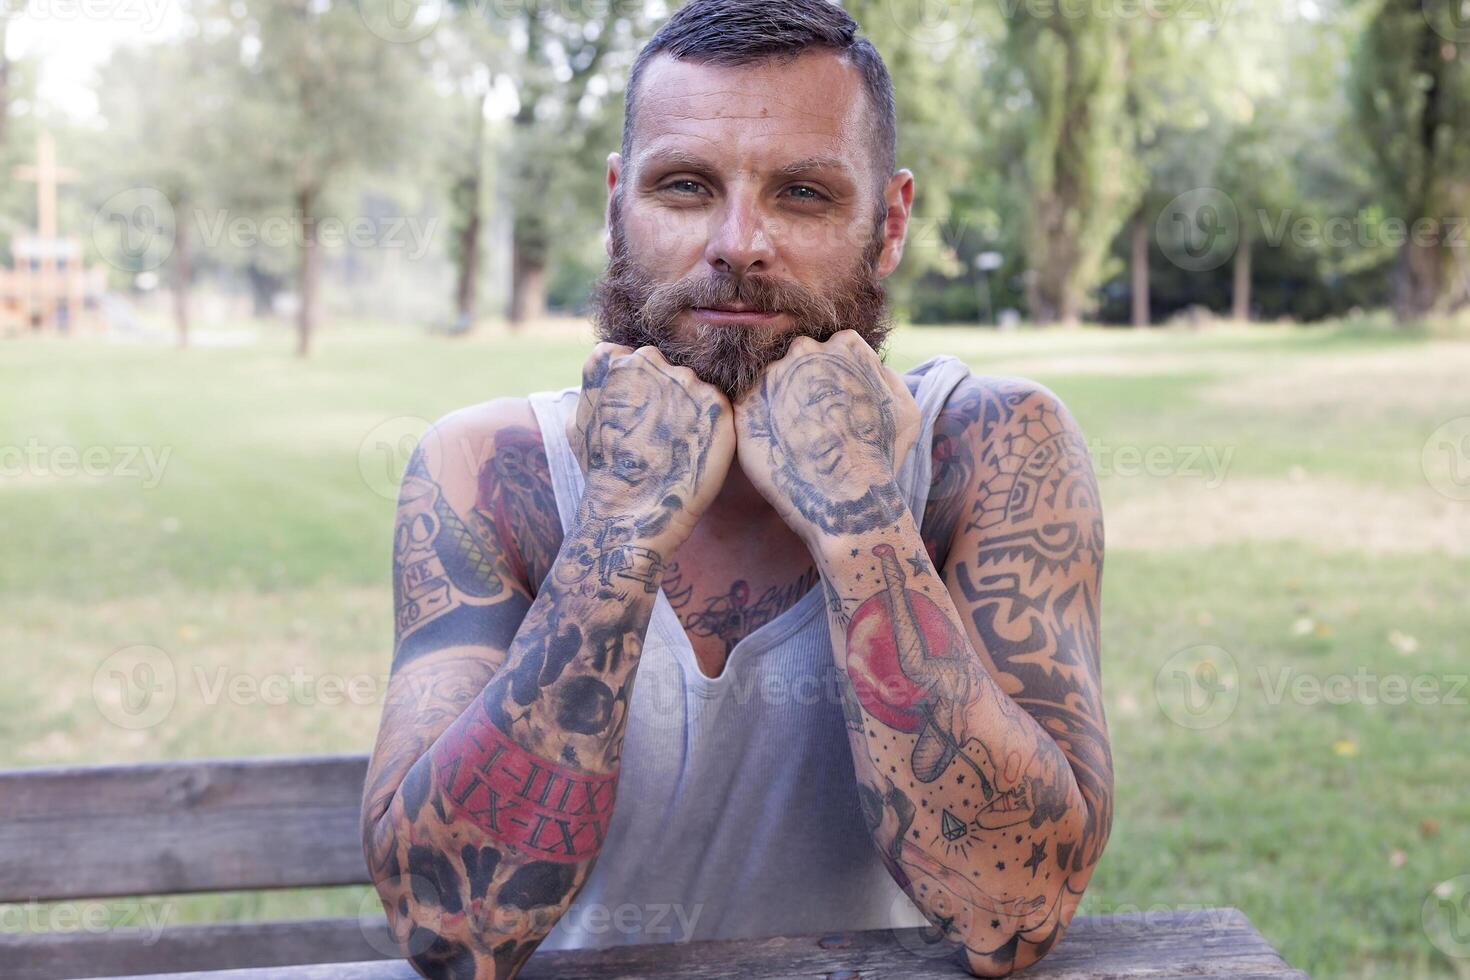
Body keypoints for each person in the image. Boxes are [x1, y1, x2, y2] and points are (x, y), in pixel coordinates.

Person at [360, 1, 1113, 976]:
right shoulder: (485, 467)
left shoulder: (998, 445)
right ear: (616, 208)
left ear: (888, 223)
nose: (739, 242)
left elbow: (1013, 906)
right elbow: (452, 929)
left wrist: (858, 509)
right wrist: (622, 525)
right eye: (685, 187)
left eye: (802, 193)